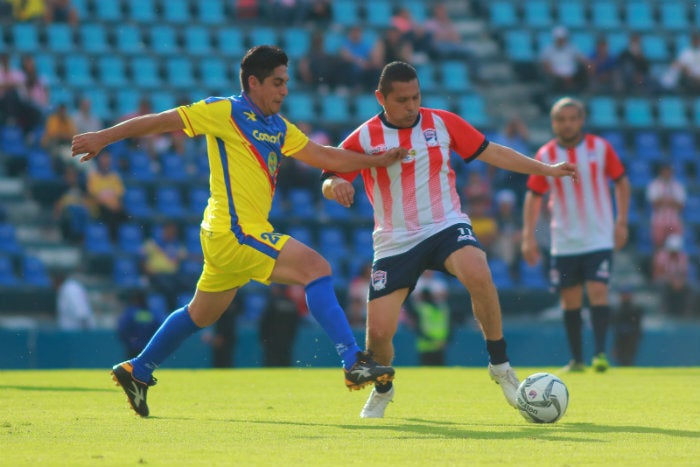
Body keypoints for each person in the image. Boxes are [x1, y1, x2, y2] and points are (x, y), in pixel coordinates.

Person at [71, 45, 404, 417]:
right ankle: (352, 361)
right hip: (235, 232)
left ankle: (138, 369)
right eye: (277, 83)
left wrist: (374, 162)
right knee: (317, 268)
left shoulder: (278, 127)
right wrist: (102, 137)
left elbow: (325, 156)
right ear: (253, 82)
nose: (284, 90)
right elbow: (161, 121)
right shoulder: (225, 111)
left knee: (201, 313)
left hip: (228, 235)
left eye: (286, 83)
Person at [321, 61, 578, 418]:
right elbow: (329, 172)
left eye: (416, 97)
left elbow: (494, 152)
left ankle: (500, 364)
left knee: (478, 271)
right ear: (381, 98)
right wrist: (337, 185)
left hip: (444, 225)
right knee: (378, 333)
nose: (411, 106)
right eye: (402, 100)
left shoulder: (441, 122)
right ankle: (383, 388)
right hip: (395, 242)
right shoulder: (364, 137)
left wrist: (545, 168)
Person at [521, 97, 631, 373]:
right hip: (565, 239)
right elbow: (533, 196)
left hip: (598, 235)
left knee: (597, 290)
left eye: (572, 118)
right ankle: (577, 359)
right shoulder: (545, 155)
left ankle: (601, 354)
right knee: (570, 299)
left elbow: (622, 182)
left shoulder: (600, 148)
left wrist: (621, 222)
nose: (567, 124)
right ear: (553, 122)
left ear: (581, 120)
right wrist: (528, 236)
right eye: (561, 119)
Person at [539, 26, 591, 94]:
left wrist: (589, 66)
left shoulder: (571, 48)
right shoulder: (548, 50)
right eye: (559, 39)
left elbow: (583, 60)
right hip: (556, 76)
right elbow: (546, 65)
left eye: (562, 38)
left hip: (572, 75)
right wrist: (559, 75)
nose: (561, 40)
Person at [117, 290, 168, 359]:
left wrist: (129, 341)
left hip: (133, 348)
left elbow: (122, 329)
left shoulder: (131, 313)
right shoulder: (152, 314)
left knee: (131, 368)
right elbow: (160, 330)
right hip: (148, 348)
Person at [259, 283, 301, 367]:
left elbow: (265, 322)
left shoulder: (272, 302)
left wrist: (262, 338)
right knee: (285, 363)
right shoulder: (291, 303)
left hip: (271, 340)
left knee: (271, 364)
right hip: (286, 340)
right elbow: (295, 323)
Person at [646, 163, 686, 251]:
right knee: (658, 246)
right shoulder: (654, 185)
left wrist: (664, 200)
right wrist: (671, 201)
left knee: (676, 245)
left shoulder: (678, 186)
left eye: (669, 172)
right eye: (665, 171)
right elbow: (654, 203)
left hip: (674, 220)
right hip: (659, 220)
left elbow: (681, 205)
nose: (667, 174)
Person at [652, 233, 692, 318]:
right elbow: (658, 273)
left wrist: (679, 281)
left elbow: (684, 273)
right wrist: (672, 281)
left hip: (677, 280)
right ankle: (663, 310)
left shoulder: (683, 257)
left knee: (689, 287)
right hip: (664, 279)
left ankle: (686, 312)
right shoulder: (661, 256)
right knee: (663, 285)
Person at [612, 285, 643, 366]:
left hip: (631, 338)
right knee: (621, 360)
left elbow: (638, 327)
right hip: (621, 339)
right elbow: (615, 328)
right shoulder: (617, 310)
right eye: (624, 294)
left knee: (629, 359)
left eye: (627, 294)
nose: (625, 296)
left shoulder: (635, 309)